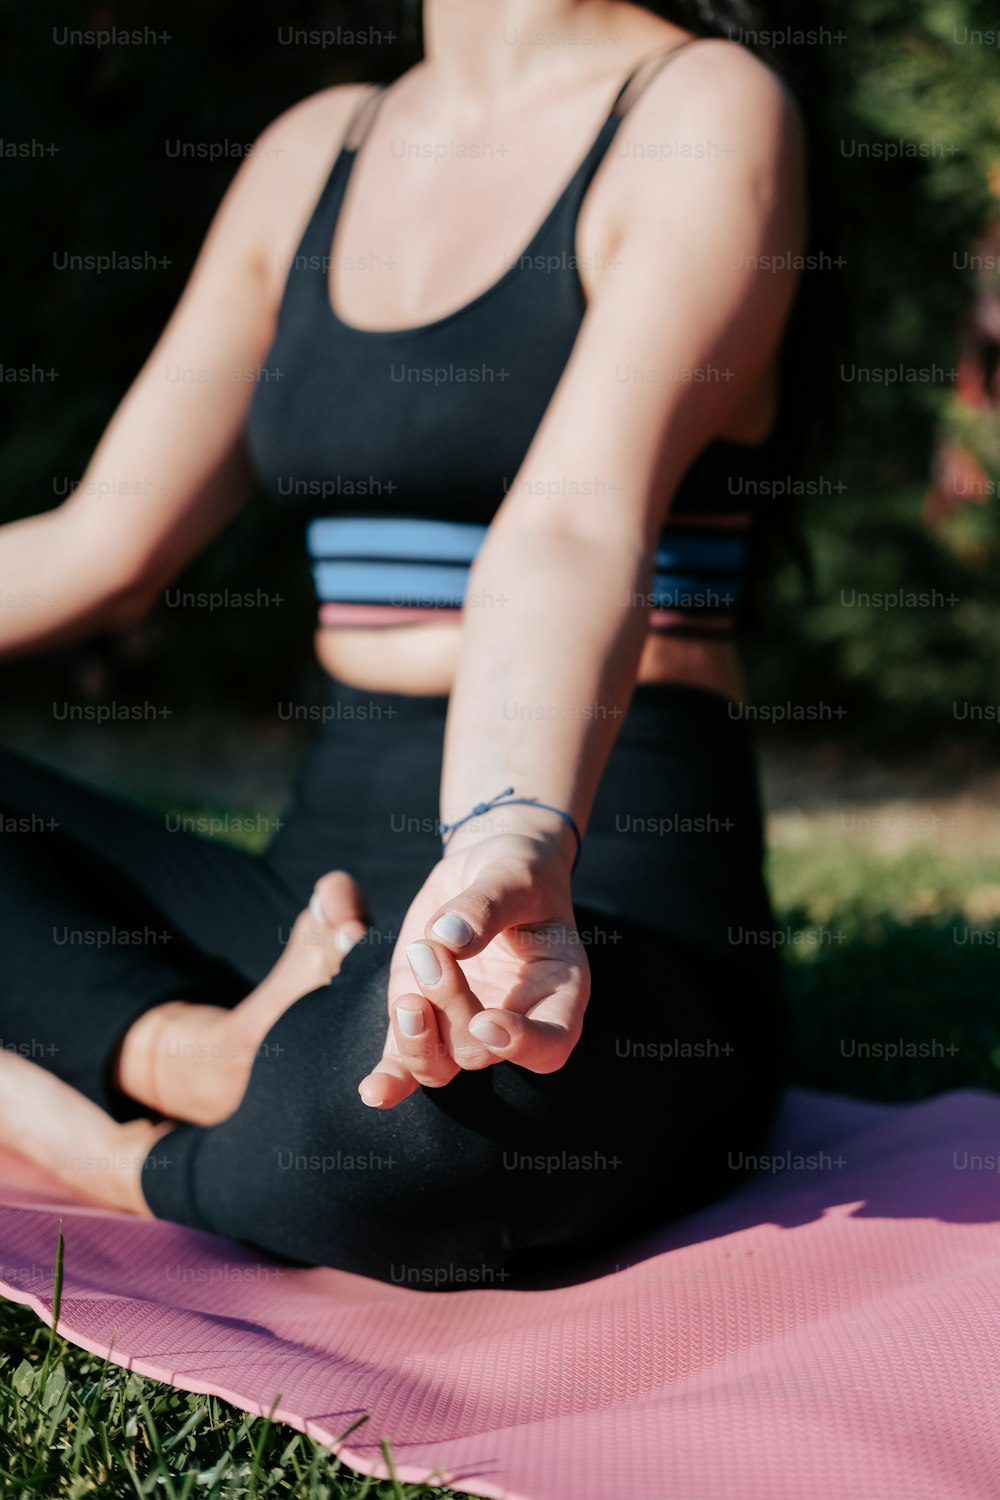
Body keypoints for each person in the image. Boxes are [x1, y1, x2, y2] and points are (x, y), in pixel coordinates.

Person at [0, 0, 805, 1286]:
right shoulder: (315, 149)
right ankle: (188, 1056)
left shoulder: (697, 107)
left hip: (594, 875)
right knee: (348, 1054)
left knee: (439, 1107)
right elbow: (103, 544)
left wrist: (508, 837)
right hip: (311, 897)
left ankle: (114, 1149)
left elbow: (563, 533)